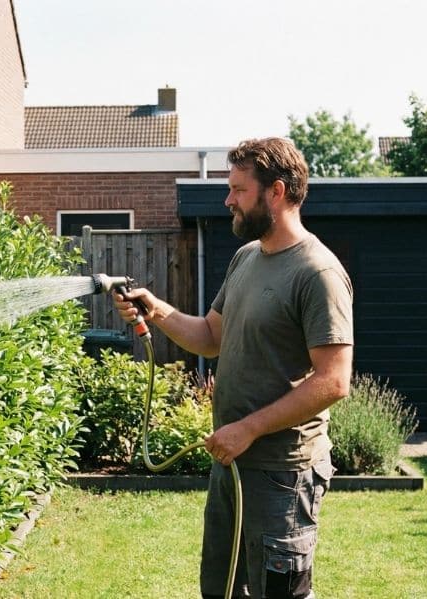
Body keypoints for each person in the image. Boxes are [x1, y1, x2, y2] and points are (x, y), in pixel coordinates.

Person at [112, 137, 353, 599]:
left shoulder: (317, 273)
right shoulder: (247, 258)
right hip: (233, 464)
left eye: (239, 190)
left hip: (283, 473)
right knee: (220, 589)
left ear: (276, 192)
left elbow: (334, 380)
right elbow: (210, 337)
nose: (228, 200)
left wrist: (249, 429)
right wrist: (156, 310)